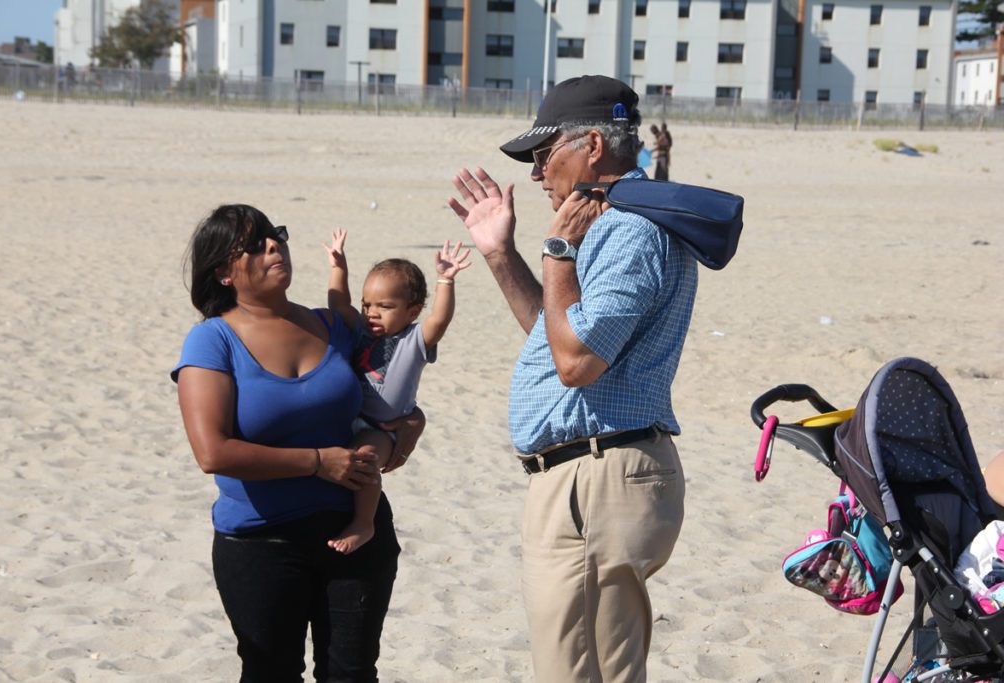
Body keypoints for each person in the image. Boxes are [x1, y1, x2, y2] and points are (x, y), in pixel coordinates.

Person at [447, 75, 698, 682]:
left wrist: (558, 251)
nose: (535, 174)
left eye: (542, 154)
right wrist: (501, 255)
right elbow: (555, 333)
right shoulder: (609, 220)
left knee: (580, 672)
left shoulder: (629, 228)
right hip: (590, 475)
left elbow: (577, 362)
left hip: (597, 479)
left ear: (590, 145)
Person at [172, 204, 425, 682]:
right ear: (224, 272)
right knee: (272, 674)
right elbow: (213, 452)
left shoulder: (334, 327)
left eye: (275, 235)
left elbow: (392, 395)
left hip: (355, 531)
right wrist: (316, 463)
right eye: (254, 243)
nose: (274, 245)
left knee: (351, 675)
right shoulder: (212, 341)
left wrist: (407, 433)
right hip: (260, 542)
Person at [322, 229, 470, 553]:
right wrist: (338, 266)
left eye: (384, 306)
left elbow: (440, 320)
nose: (372, 312)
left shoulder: (414, 340)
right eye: (367, 304)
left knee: (366, 458)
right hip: (352, 417)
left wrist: (446, 280)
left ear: (412, 312)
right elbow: (337, 303)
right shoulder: (361, 329)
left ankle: (364, 522)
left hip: (383, 429)